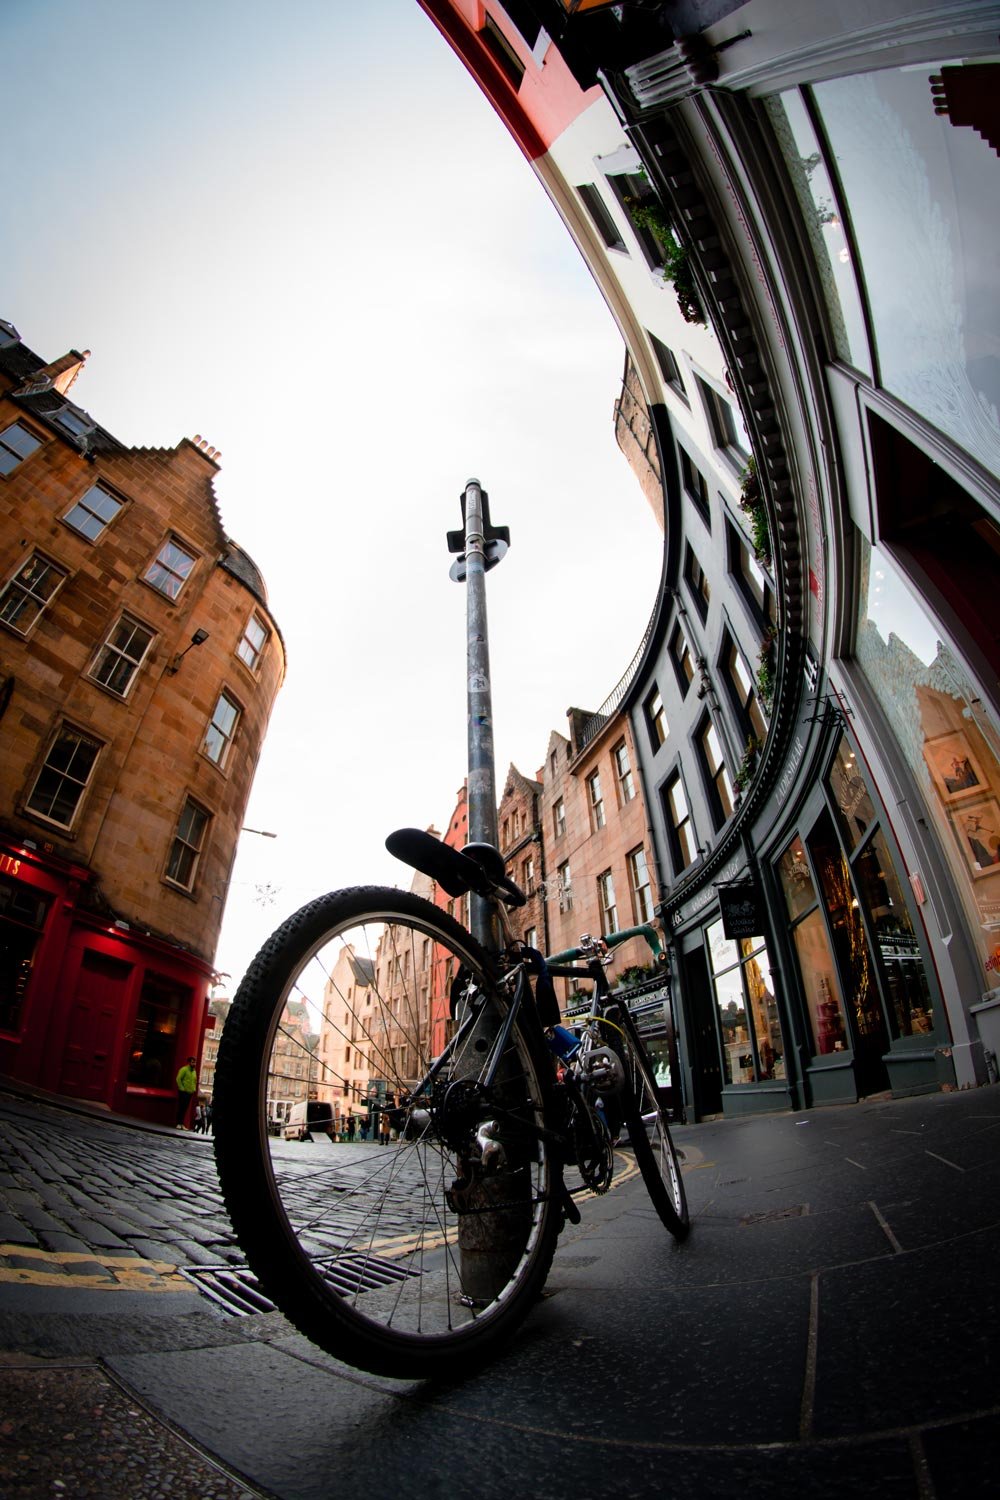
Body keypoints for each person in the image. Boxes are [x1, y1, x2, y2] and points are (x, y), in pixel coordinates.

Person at [175, 1057, 198, 1129]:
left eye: (194, 1062)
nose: (194, 1064)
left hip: (190, 1093)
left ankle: (182, 1124)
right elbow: (178, 1078)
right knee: (181, 1108)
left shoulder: (194, 1071)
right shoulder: (184, 1069)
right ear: (189, 1062)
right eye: (192, 1062)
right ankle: (178, 1123)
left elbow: (195, 1081)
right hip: (183, 1092)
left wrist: (194, 1089)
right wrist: (182, 1088)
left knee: (185, 1108)